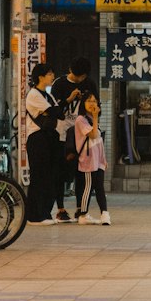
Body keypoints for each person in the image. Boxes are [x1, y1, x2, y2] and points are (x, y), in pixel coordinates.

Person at [52, 56, 98, 220]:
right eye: (82, 76)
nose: (84, 79)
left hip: (82, 135)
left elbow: (95, 105)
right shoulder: (59, 84)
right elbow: (54, 108)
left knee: (81, 172)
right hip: (62, 134)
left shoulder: (89, 84)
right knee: (60, 172)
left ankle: (80, 207)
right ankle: (61, 209)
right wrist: (69, 99)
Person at [24, 63, 66, 224]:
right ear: (40, 77)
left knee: (48, 176)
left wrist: (53, 110)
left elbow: (59, 113)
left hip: (48, 138)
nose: (52, 76)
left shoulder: (48, 95)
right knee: (39, 176)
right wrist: (53, 110)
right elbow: (56, 111)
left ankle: (44, 213)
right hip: (37, 138)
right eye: (49, 73)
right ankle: (34, 216)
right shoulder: (34, 94)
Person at [73, 91, 110, 225]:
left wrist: (104, 159)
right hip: (88, 160)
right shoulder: (80, 120)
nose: (92, 103)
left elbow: (99, 142)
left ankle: (104, 213)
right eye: (89, 101)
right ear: (83, 103)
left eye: (94, 101)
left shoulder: (92, 119)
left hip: (98, 160)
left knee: (99, 186)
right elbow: (93, 135)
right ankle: (83, 214)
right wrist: (95, 117)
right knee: (88, 187)